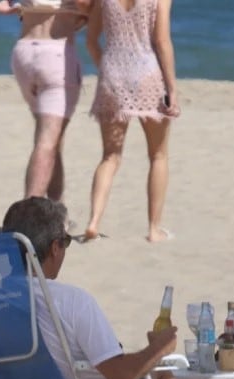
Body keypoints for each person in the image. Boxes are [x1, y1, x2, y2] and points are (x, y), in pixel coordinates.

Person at [0, 196, 219, 379]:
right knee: (162, 376)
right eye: (65, 241)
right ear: (54, 247)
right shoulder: (72, 302)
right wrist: (160, 348)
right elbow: (120, 375)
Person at [82, 0, 180, 243]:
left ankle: (93, 222)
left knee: (110, 157)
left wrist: (106, 68)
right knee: (158, 155)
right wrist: (172, 89)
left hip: (112, 75)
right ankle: (154, 229)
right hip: (148, 75)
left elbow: (91, 41)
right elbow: (162, 41)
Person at [0, 0, 91, 201]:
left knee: (50, 138)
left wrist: (10, 7)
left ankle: (56, 209)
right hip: (56, 53)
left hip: (24, 51)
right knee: (47, 142)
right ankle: (30, 212)